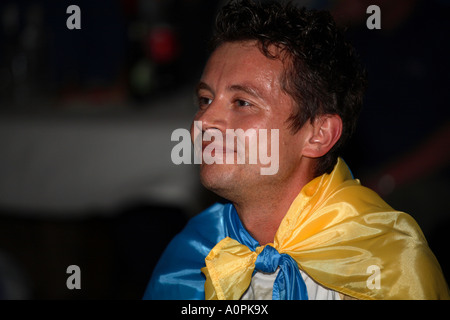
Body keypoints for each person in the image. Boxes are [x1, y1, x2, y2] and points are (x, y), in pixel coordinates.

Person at [143, 0, 449, 300]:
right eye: (205, 100)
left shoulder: (388, 264)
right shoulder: (193, 254)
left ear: (318, 135)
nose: (204, 121)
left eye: (242, 103)